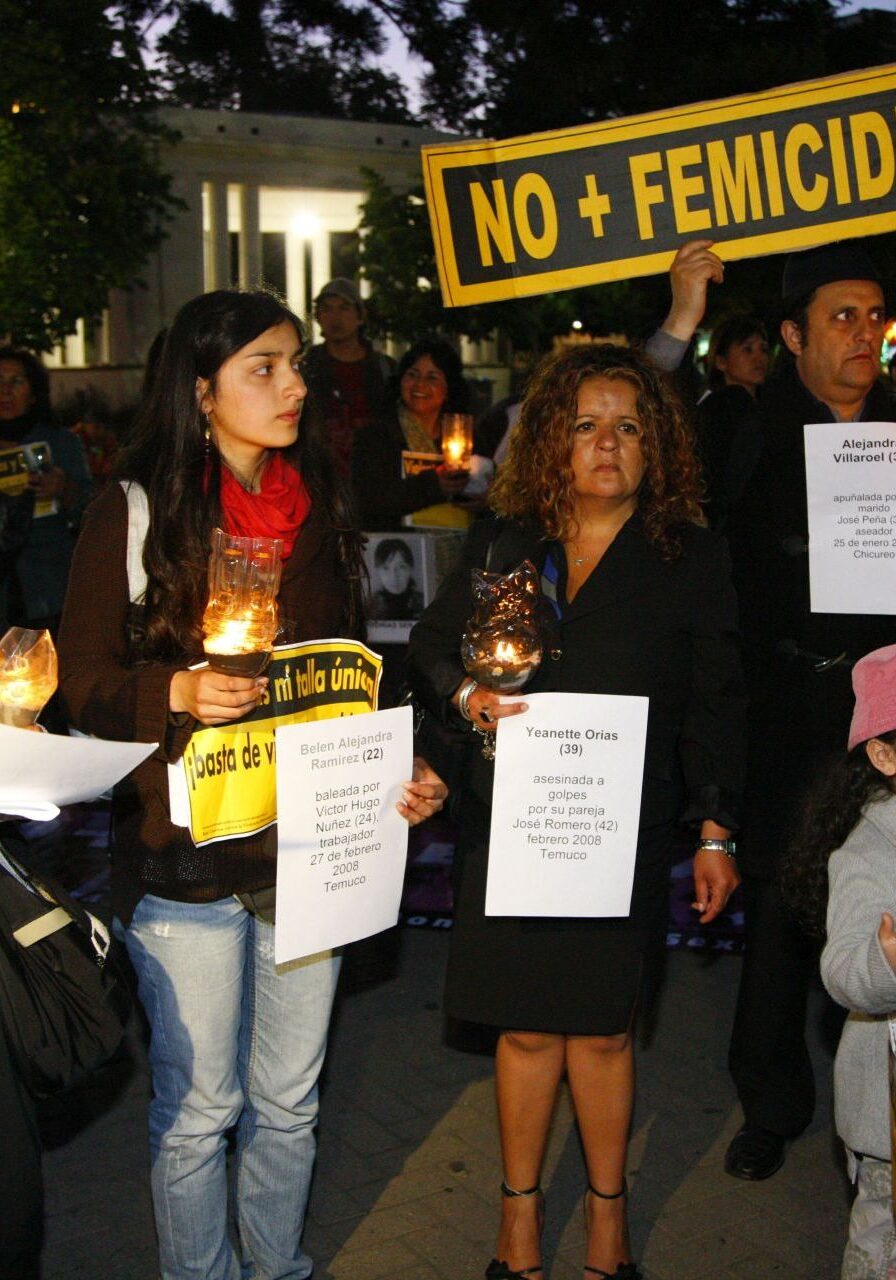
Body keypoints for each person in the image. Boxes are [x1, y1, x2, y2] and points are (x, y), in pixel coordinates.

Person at [57, 289, 446, 1280]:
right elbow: (80, 684)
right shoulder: (134, 511)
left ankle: (276, 1264)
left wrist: (392, 765)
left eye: (296, 366)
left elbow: (348, 674)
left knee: (288, 1099)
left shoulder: (316, 510)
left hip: (306, 848)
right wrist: (173, 687)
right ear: (200, 388)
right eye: (263, 367)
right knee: (199, 1108)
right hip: (184, 857)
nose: (292, 386)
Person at [407, 343, 744, 1280]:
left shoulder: (691, 557)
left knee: (601, 1029)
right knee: (522, 1027)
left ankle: (608, 1222)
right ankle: (518, 1220)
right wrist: (465, 696)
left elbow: (719, 701)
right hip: (510, 820)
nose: (608, 444)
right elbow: (433, 649)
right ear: (553, 439)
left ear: (658, 448)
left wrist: (716, 830)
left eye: (630, 427)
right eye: (587, 424)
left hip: (619, 829)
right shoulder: (503, 543)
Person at [648, 238, 896, 1182]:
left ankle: (873, 1120)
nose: (864, 333)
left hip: (886, 713)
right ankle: (773, 1101)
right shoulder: (746, 426)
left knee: (884, 903)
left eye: (876, 316)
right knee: (784, 915)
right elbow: (645, 425)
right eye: (842, 316)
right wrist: (682, 316)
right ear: (792, 334)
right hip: (784, 706)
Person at [784, 644, 896, 1278]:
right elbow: (845, 972)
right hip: (891, 1130)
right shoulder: (870, 851)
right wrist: (887, 961)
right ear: (884, 755)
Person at [0, 346, 92, 632]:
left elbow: (91, 509)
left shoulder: (60, 442)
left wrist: (63, 488)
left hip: (47, 583)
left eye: (16, 382)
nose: (5, 390)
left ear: (34, 392)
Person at [350, 337, 473, 531]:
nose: (420, 384)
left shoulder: (464, 438)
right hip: (397, 552)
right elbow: (368, 501)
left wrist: (480, 500)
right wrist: (433, 485)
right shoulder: (376, 437)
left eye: (432, 377)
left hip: (455, 552)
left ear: (449, 388)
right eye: (412, 375)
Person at [301, 278, 394, 477]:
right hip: (321, 473)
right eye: (327, 309)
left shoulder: (385, 368)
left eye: (344, 308)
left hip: (375, 474)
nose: (335, 317)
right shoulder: (307, 367)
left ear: (360, 316)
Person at [694, 316, 769, 529]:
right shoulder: (717, 408)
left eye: (763, 349)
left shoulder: (771, 405)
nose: (759, 358)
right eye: (747, 350)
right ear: (721, 361)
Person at [369, 537, 424, 620]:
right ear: (378, 570)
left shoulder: (425, 603)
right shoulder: (369, 606)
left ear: (410, 568)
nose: (394, 576)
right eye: (386, 568)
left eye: (401, 567)